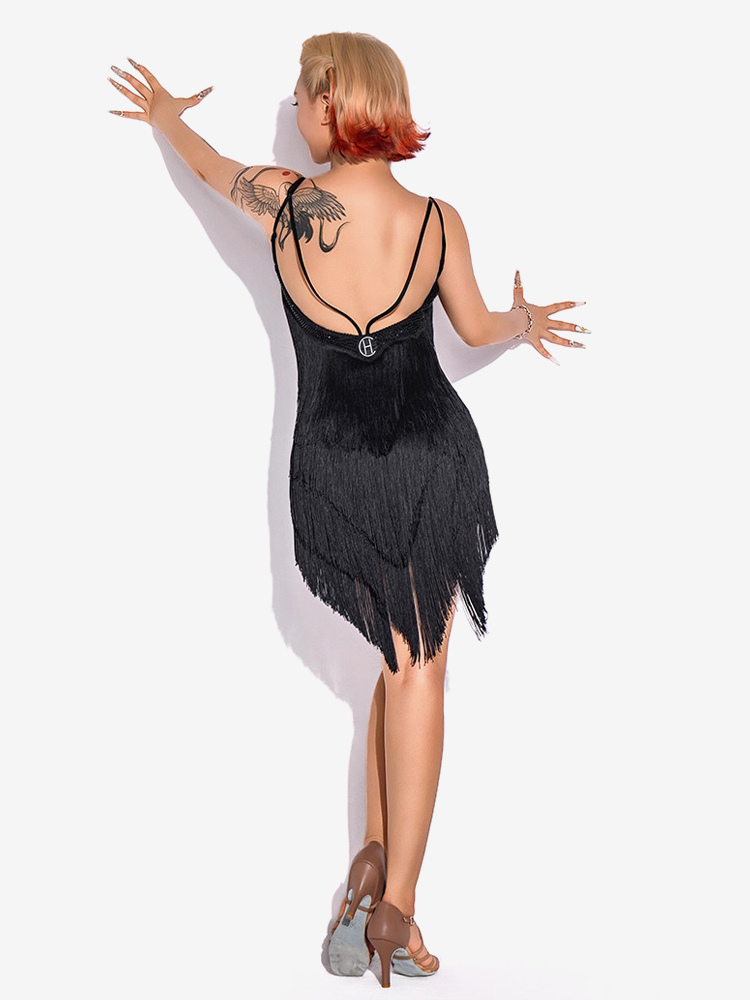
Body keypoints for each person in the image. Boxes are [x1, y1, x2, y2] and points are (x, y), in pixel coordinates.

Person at [107, 31, 588, 988]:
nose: (293, 109)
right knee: (420, 673)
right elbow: (477, 326)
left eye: (301, 94)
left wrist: (165, 118)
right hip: (429, 454)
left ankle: (371, 865)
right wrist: (526, 321)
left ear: (335, 103)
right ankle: (399, 912)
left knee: (397, 664)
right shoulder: (435, 221)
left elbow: (208, 168)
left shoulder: (287, 205)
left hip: (332, 461)